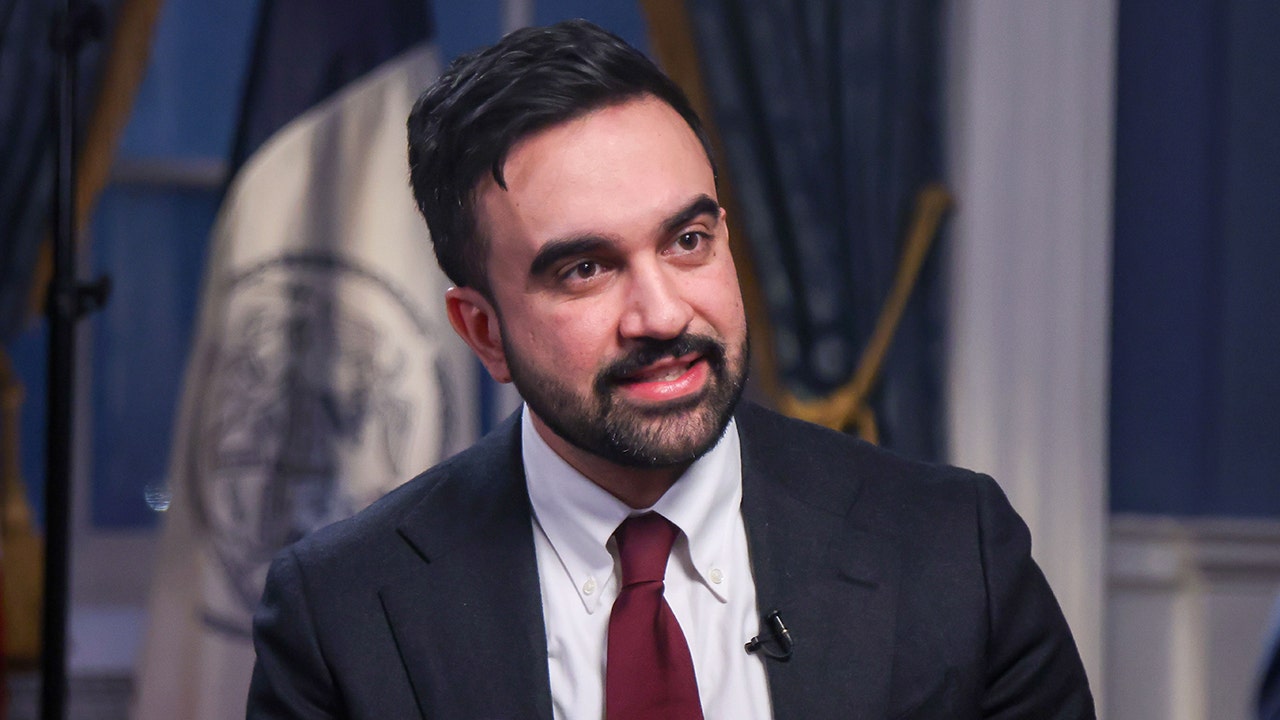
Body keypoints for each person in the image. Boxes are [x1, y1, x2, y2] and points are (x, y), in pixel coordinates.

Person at [247, 19, 1095, 719]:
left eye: (688, 241)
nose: (661, 315)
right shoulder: (342, 615)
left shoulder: (955, 553)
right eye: (585, 269)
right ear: (484, 331)